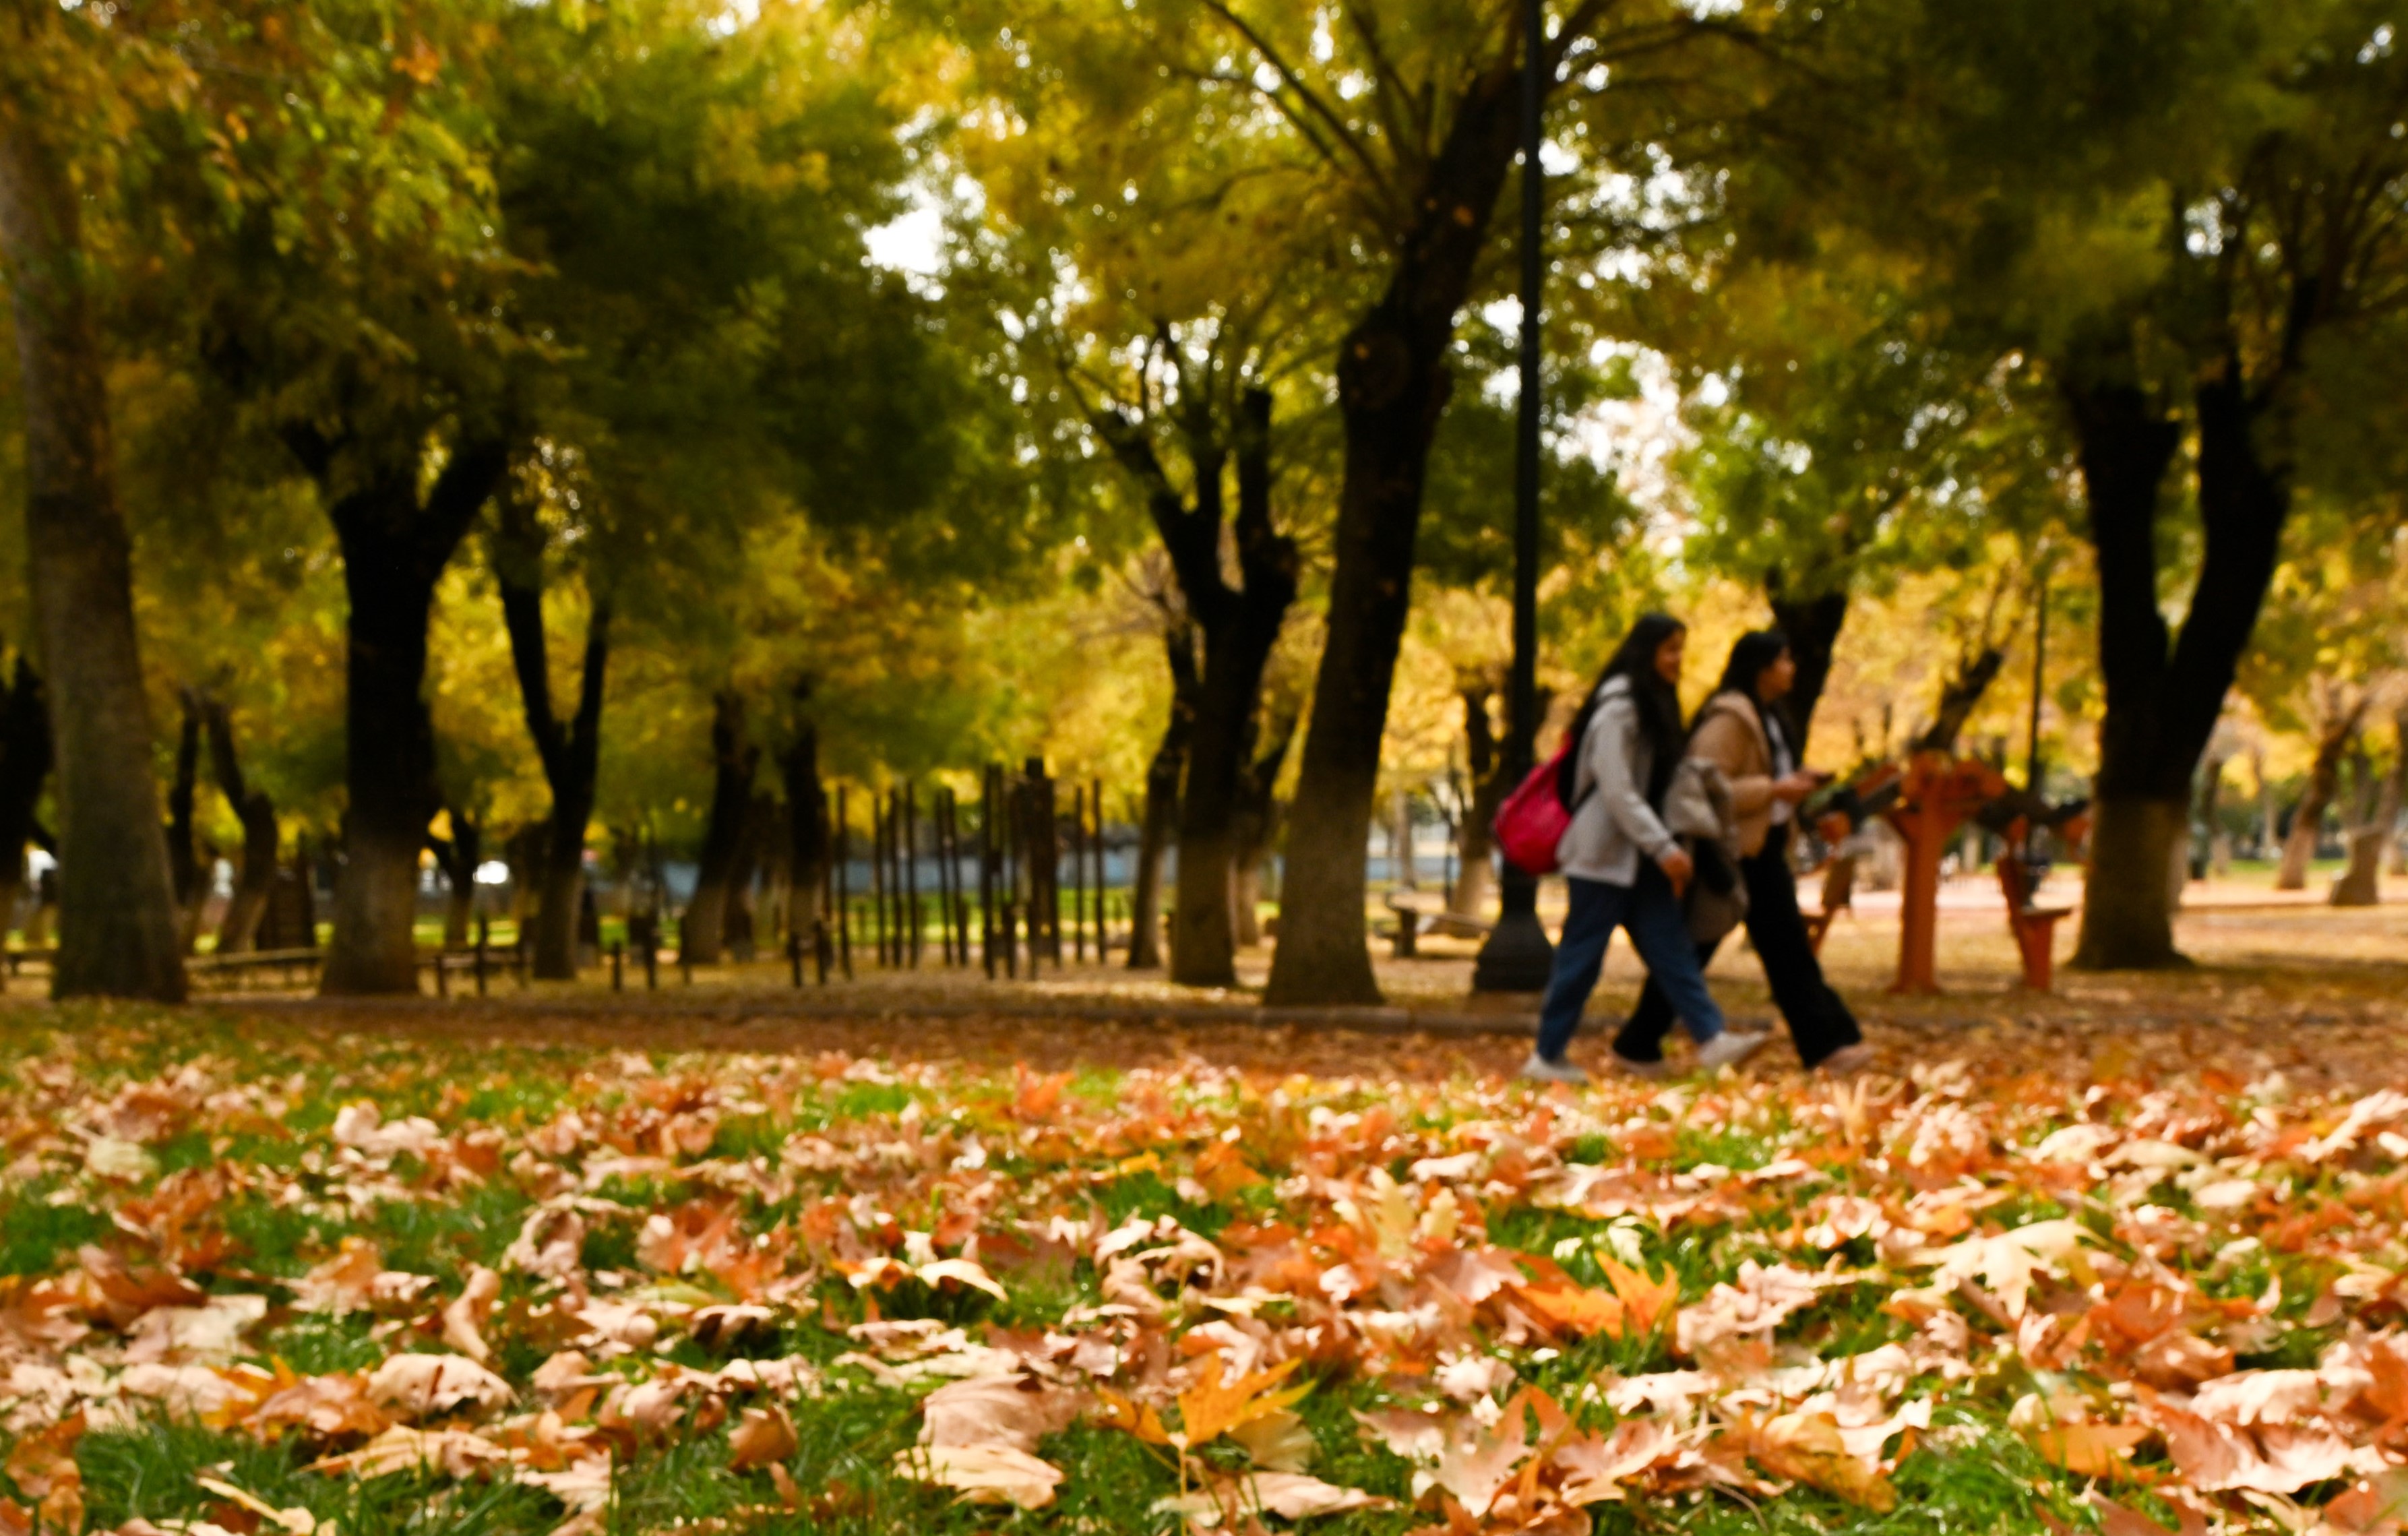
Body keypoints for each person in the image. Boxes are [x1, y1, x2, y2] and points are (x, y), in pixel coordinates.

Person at [1611, 629, 1873, 1076]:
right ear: (1762, 666)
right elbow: (1703, 786)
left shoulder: (1767, 715)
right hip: (1733, 855)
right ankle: (1639, 1042)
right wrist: (1773, 788)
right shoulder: (1730, 719)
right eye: (1785, 660)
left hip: (1760, 851)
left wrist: (1795, 782)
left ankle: (1830, 1043)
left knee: (1782, 950)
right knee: (1704, 948)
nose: (1792, 669)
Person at [1522, 614, 1766, 1084]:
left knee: (1672, 951)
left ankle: (1712, 1039)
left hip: (1639, 859)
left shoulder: (1651, 705)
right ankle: (1546, 1054)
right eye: (1669, 649)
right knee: (1580, 958)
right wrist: (1662, 847)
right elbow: (1616, 790)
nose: (1678, 660)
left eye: (1681, 649)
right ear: (1646, 651)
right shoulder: (1619, 708)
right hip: (1603, 859)